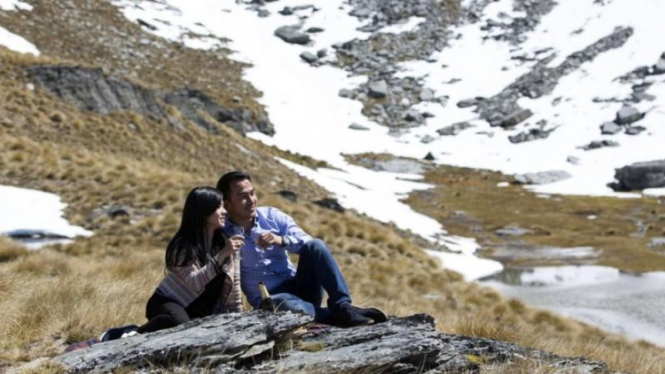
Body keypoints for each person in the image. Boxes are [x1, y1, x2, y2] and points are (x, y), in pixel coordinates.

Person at [216, 171, 386, 327]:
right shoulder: (222, 234)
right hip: (269, 300)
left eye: (252, 193)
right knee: (282, 303)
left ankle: (343, 306)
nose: (251, 200)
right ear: (227, 203)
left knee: (316, 246)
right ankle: (330, 316)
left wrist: (281, 240)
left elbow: (306, 242)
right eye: (243, 196)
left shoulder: (272, 216)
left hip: (300, 286)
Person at [137, 187, 245, 334]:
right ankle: (130, 335)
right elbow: (195, 283)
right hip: (168, 302)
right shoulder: (183, 246)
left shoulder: (225, 242)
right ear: (203, 210)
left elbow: (234, 286)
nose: (225, 211)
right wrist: (222, 255)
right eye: (218, 206)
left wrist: (238, 320)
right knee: (179, 323)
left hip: (200, 309)